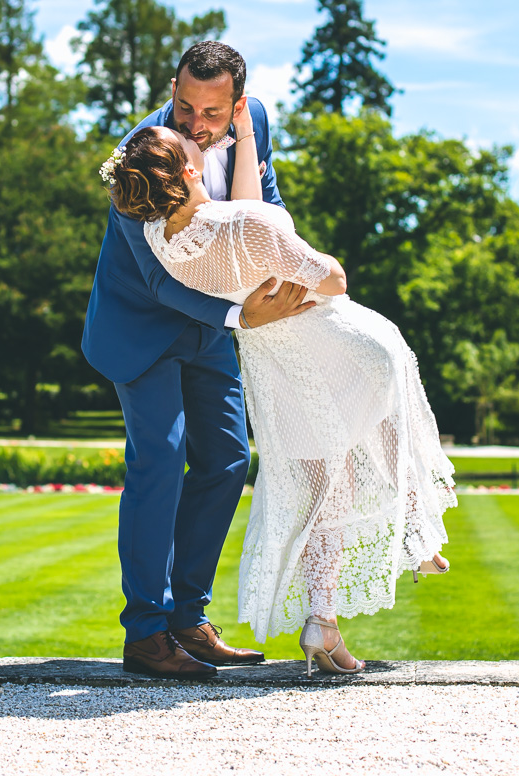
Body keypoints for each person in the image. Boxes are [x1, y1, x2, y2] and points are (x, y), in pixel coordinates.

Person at [105, 123, 457, 676]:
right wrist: (310, 257)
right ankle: (413, 528)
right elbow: (334, 279)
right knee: (387, 428)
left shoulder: (161, 240)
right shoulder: (251, 220)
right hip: (339, 342)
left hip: (278, 365)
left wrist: (245, 136)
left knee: (326, 487)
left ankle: (324, 618)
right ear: (191, 172)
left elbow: (233, 228)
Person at [82, 41, 308, 678]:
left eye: (212, 113)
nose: (195, 125)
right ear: (172, 90)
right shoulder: (140, 154)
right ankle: (147, 635)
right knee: (162, 455)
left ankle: (188, 617)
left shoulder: (254, 121)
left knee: (228, 458)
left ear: (236, 103)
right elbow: (156, 281)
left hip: (208, 322)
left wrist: (289, 267)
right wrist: (242, 316)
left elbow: (268, 204)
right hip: (143, 324)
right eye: (185, 106)